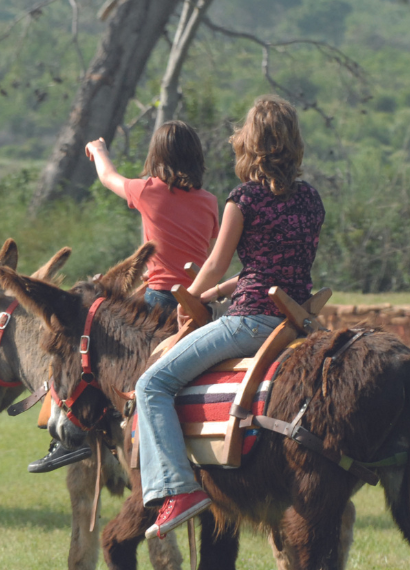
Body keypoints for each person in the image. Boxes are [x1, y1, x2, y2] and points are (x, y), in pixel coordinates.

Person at [135, 95, 326, 539]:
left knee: (151, 384)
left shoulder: (243, 199)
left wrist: (191, 297)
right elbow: (273, 265)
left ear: (251, 144)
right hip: (297, 319)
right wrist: (221, 289)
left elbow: (216, 263)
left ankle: (175, 489)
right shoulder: (312, 200)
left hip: (251, 322)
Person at [29, 121, 220, 474]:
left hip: (159, 304)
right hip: (199, 306)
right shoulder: (210, 202)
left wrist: (98, 149)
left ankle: (68, 439)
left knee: (91, 355)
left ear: (157, 156)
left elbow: (108, 177)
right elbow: (199, 255)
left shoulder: (149, 190)